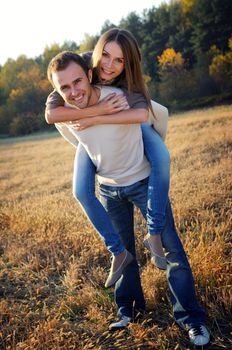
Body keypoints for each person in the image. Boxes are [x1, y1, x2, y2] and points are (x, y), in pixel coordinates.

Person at [46, 51, 210, 347]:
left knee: (172, 252)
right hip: (109, 188)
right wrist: (91, 114)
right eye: (64, 87)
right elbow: (52, 113)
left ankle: (192, 320)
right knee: (123, 255)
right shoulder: (66, 108)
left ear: (89, 74)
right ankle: (129, 311)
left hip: (142, 180)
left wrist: (103, 111)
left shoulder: (118, 95)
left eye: (77, 81)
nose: (73, 91)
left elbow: (141, 113)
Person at [46, 28, 170, 273]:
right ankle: (118, 254)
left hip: (131, 120)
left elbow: (142, 114)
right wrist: (97, 113)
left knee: (162, 158)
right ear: (96, 55)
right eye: (105, 56)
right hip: (93, 133)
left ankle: (154, 234)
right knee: (80, 190)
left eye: (119, 60)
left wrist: (99, 118)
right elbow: (51, 113)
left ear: (127, 63)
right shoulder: (81, 65)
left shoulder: (127, 79)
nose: (110, 65)